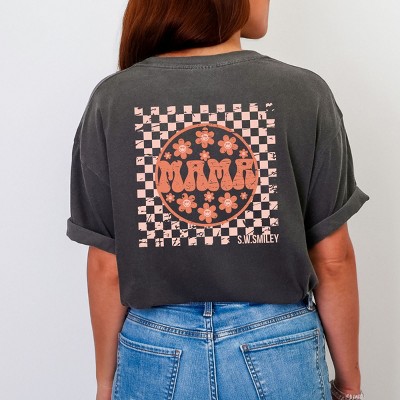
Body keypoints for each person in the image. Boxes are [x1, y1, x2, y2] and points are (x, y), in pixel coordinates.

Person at [66, 1, 369, 399]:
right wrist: (349, 384)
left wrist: (105, 385)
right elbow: (332, 259)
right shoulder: (303, 92)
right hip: (278, 346)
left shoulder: (113, 100)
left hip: (155, 349)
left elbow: (107, 267)